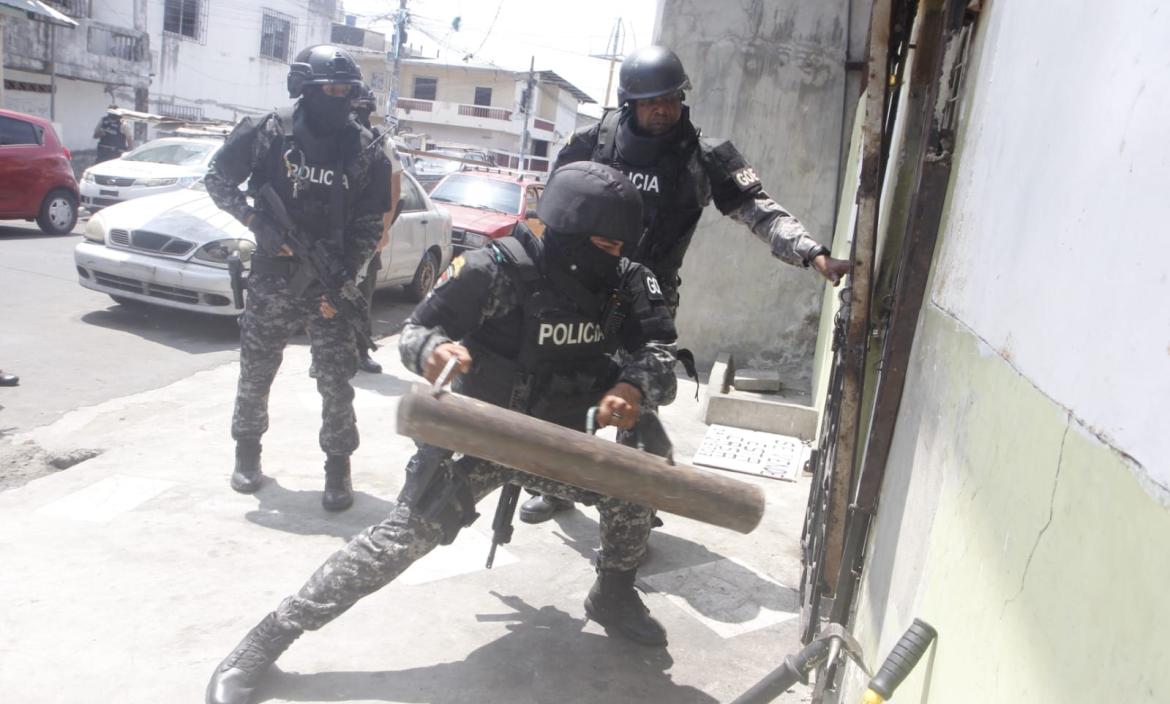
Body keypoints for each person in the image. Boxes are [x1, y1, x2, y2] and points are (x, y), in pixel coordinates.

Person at [204, 162, 679, 704]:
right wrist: (433, 353)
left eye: (621, 244)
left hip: (565, 442)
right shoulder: (495, 269)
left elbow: (659, 352)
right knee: (397, 542)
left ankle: (613, 594)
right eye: (603, 243)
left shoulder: (625, 283)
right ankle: (267, 639)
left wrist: (634, 385)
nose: (613, 255)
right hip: (481, 438)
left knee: (636, 491)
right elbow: (415, 330)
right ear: (568, 229)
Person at [519, 44, 854, 524]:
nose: (664, 109)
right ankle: (559, 486)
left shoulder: (704, 156)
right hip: (583, 288)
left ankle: (638, 500)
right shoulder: (593, 141)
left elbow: (757, 209)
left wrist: (811, 252)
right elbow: (557, 206)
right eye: (653, 100)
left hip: (648, 296)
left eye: (673, 98)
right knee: (568, 386)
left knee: (642, 395)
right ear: (630, 102)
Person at [204, 45, 393, 511]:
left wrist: (345, 276)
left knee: (335, 378)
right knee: (257, 369)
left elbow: (372, 220)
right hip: (273, 275)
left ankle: (338, 467)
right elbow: (217, 179)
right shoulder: (269, 131)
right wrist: (256, 223)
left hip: (329, 279)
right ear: (305, 89)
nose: (341, 98)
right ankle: (247, 455)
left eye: (348, 91)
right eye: (331, 89)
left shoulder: (365, 147)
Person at [350, 85, 403, 374]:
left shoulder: (381, 142)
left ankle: (360, 352)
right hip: (336, 232)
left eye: (364, 106)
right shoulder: (333, 136)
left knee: (362, 295)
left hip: (366, 233)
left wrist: (383, 230)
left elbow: (394, 188)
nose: (360, 112)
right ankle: (321, 354)